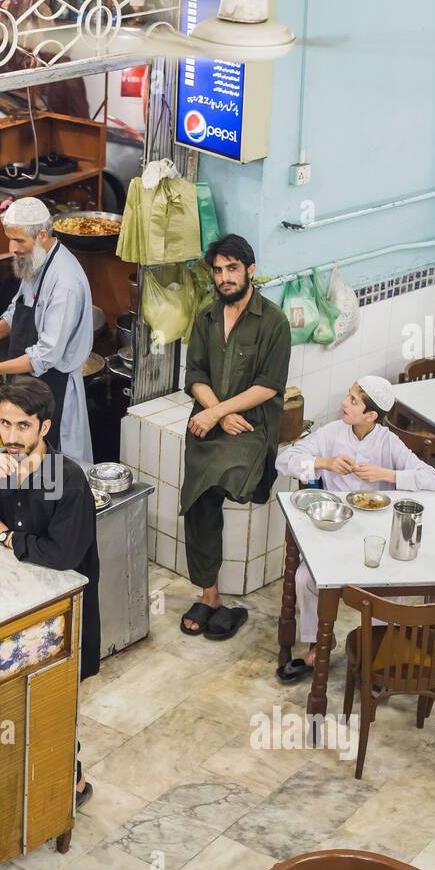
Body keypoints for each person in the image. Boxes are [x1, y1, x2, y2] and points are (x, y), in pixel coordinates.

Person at [0, 377, 99, 807]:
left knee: (56, 692)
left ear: (44, 428)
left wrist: (4, 538)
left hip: (64, 603)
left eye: (22, 427)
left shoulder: (66, 479)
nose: (11, 437)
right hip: (14, 597)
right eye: (4, 424)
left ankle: (70, 779)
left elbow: (62, 553)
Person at [275, 376, 435, 683]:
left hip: (376, 536)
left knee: (391, 584)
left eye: (353, 400)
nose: (344, 403)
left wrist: (387, 474)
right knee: (303, 577)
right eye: (349, 396)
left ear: (371, 416)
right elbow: (285, 460)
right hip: (336, 531)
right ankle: (318, 642)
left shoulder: (387, 442)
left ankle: (376, 649)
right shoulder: (332, 433)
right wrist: (324, 463)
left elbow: (433, 480)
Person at [179, 234, 291, 641]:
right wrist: (212, 412)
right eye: (219, 271)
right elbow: (195, 376)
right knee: (197, 495)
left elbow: (269, 385)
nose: (225, 278)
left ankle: (218, 594)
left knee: (217, 479)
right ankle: (210, 595)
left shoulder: (273, 321)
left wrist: (220, 412)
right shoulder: (207, 317)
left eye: (232, 269)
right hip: (210, 421)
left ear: (250, 270)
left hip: (250, 425)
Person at [0, 197, 94, 465]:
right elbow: (16, 311)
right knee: (21, 467)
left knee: (50, 471)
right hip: (26, 385)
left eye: (19, 241)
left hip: (53, 390)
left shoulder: (64, 282)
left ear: (42, 235)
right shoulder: (36, 260)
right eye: (9, 239)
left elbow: (45, 356)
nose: (12, 248)